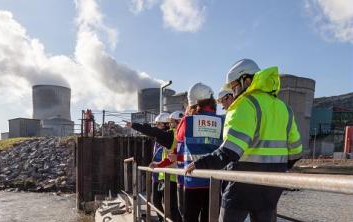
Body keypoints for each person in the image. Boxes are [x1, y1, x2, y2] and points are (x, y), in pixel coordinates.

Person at [185, 59, 302, 222]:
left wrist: (200, 164)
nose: (233, 92)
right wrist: (278, 167)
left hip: (243, 182)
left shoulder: (245, 105)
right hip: (274, 182)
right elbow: (296, 151)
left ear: (246, 80)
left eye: (233, 86)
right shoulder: (284, 107)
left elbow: (230, 151)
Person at [177, 83, 224, 222]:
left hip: (193, 180)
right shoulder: (222, 120)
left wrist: (189, 113)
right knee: (209, 218)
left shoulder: (188, 120)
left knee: (190, 217)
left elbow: (179, 137)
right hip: (214, 180)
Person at [126, 112, 182, 222]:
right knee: (157, 202)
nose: (156, 127)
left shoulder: (171, 135)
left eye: (158, 124)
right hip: (162, 174)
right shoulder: (168, 136)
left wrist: (134, 125)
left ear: (167, 124)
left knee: (172, 207)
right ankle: (163, 219)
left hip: (171, 176)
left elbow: (153, 132)